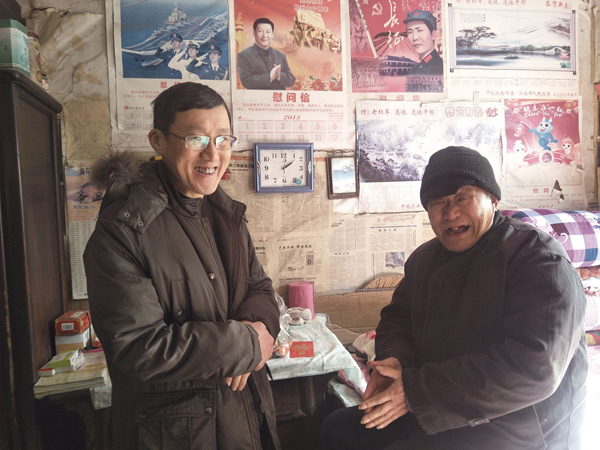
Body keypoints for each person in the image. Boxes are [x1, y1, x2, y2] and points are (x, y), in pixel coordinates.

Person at [320, 146, 587, 450]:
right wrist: (394, 361)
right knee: (340, 429)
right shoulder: (424, 260)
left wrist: (416, 392)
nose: (450, 213)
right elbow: (397, 318)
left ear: (493, 199)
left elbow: (535, 368)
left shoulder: (538, 259)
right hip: (436, 402)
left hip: (518, 423)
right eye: (438, 202)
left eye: (462, 198)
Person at [83, 82, 281, 450]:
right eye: (196, 139)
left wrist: (260, 327)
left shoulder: (224, 211)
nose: (212, 153)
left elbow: (259, 288)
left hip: (244, 415)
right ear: (158, 140)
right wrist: (247, 343)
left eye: (223, 139)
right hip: (178, 432)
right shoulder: (124, 228)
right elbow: (137, 346)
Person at [237, 18, 295, 90]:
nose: (264, 35)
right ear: (254, 32)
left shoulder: (281, 55)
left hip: (277, 96)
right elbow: (246, 81)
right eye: (260, 31)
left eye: (268, 32)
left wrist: (279, 75)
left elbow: (291, 80)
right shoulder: (244, 55)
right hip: (257, 97)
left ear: (272, 34)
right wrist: (270, 77)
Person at [404, 9, 443, 76]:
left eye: (419, 30)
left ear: (433, 35)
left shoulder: (441, 67)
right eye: (410, 32)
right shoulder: (412, 71)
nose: (415, 38)